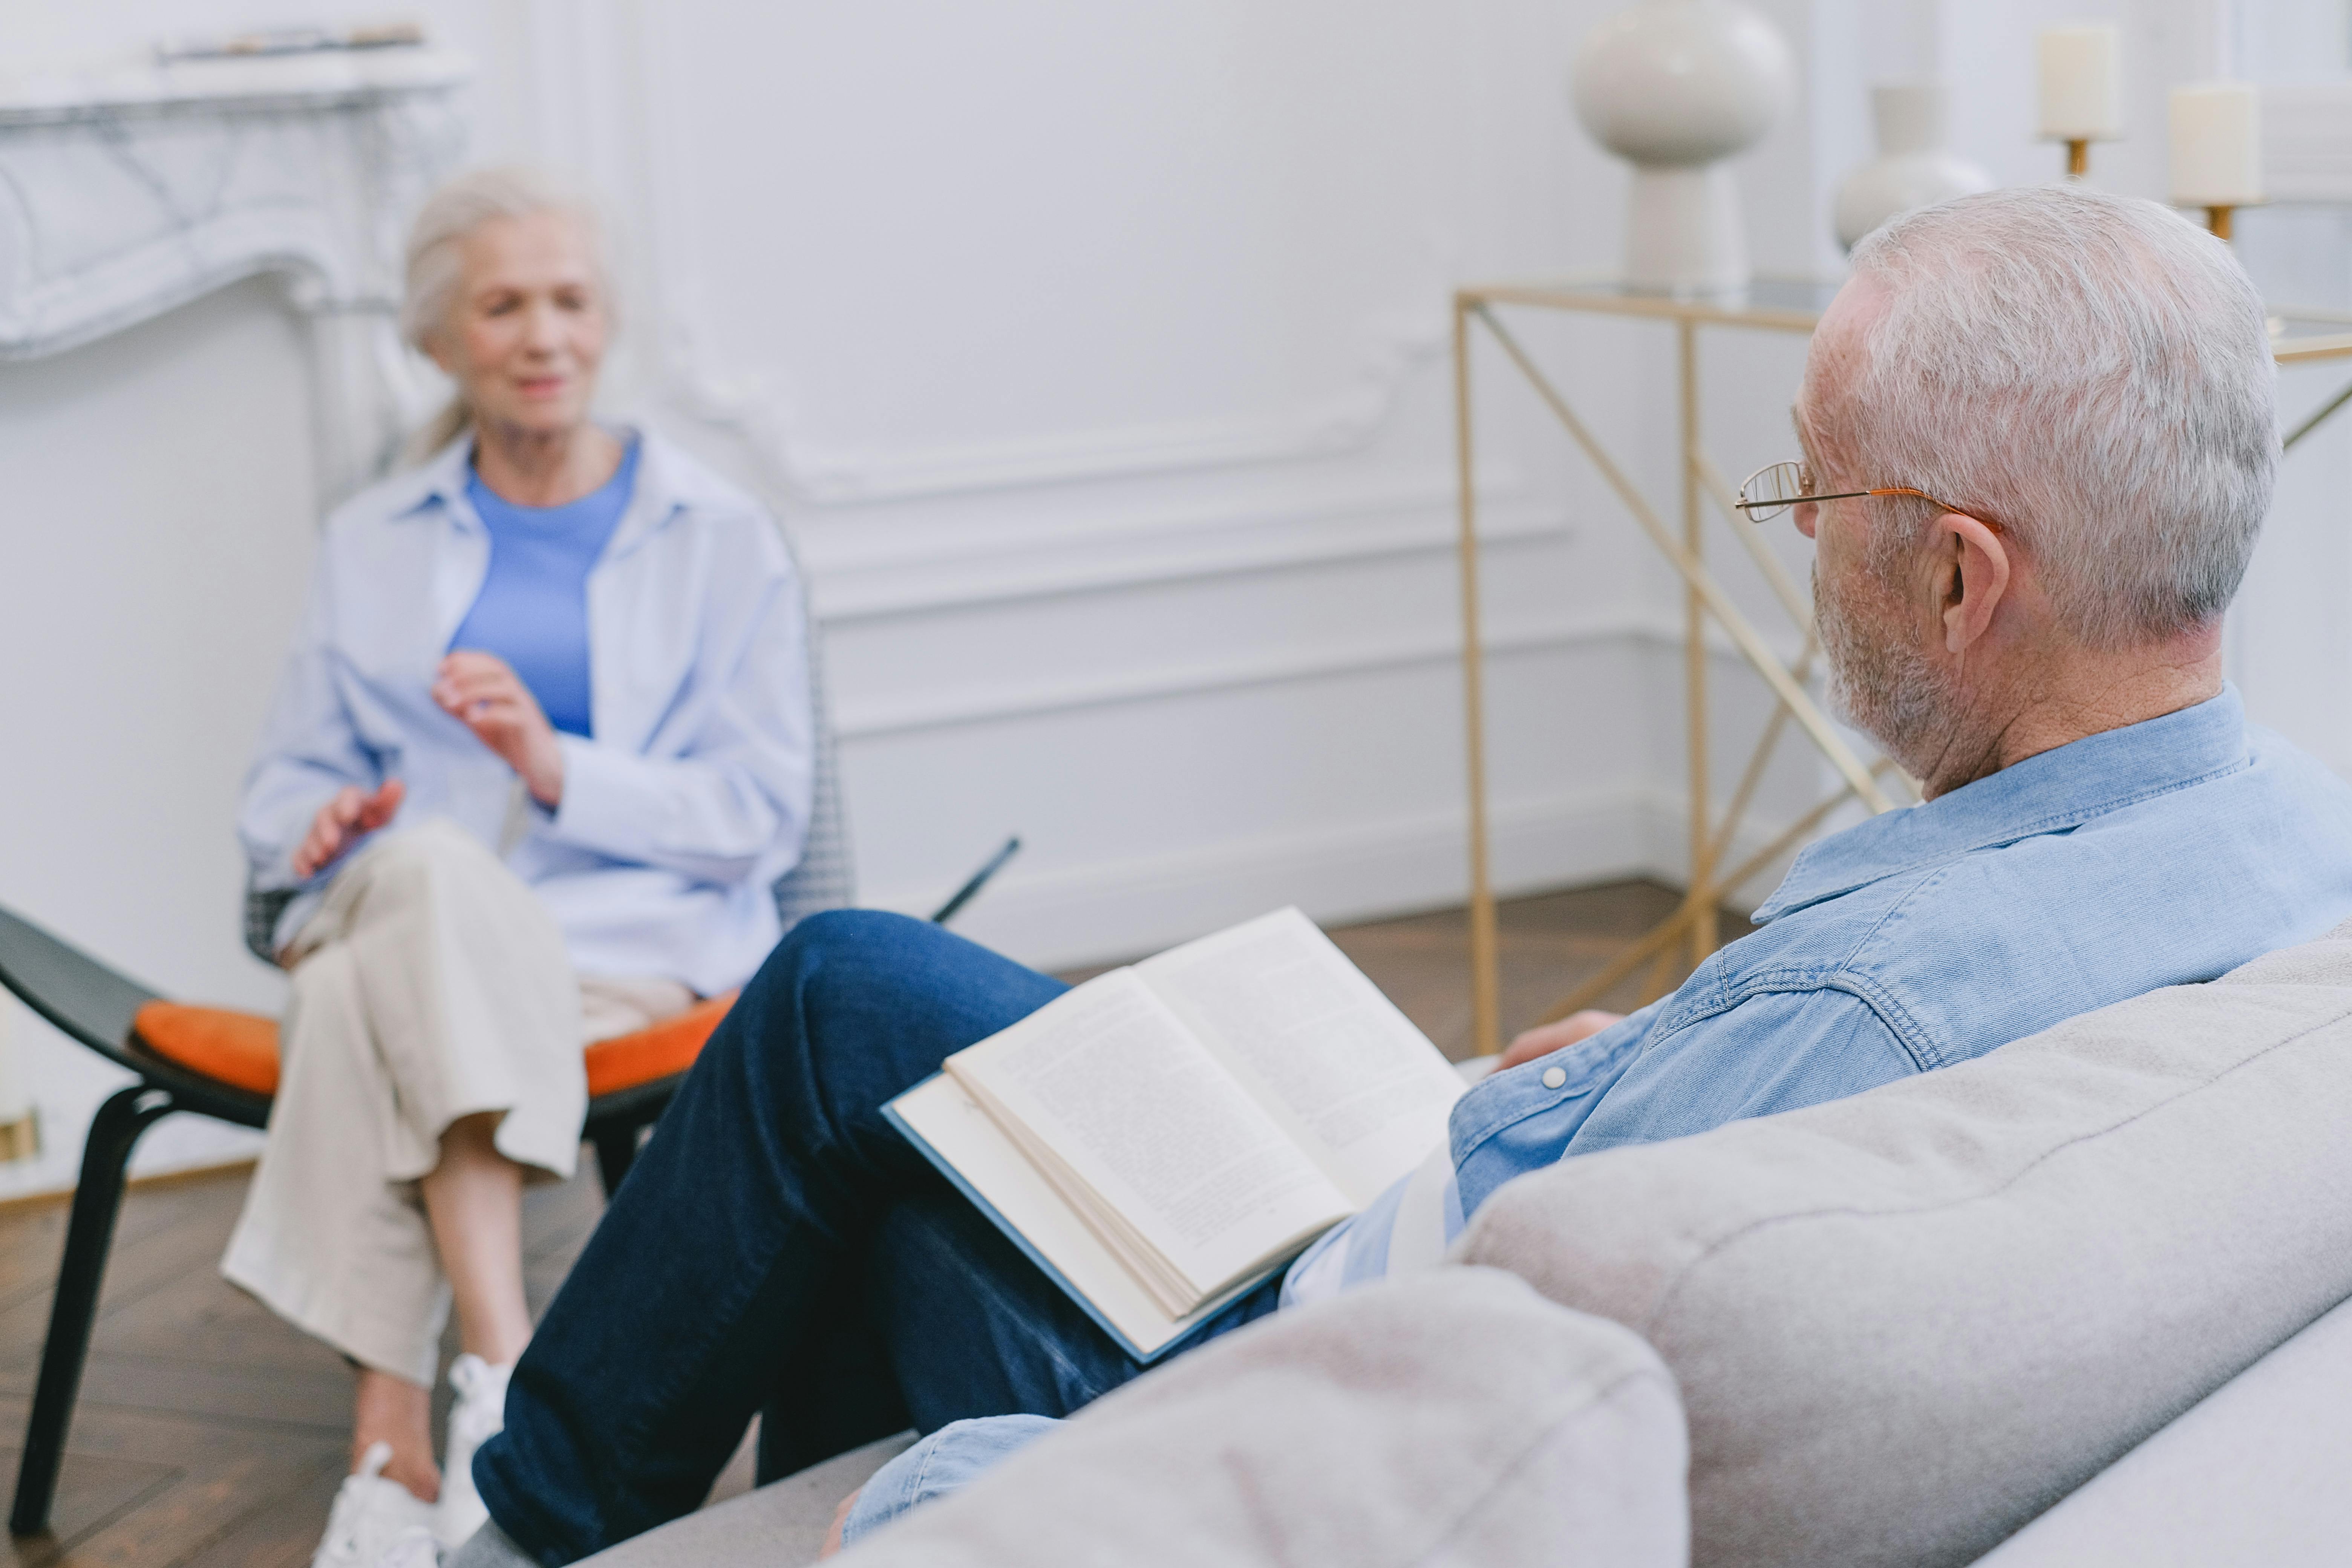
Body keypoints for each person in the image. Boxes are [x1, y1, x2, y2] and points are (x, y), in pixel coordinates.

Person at [449, 185, 2352, 1568]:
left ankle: (520, 1534)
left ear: (1955, 574)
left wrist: (953, 1496)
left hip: (1290, 1331)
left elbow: (1428, 1439)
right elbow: (1792, 1113)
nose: (1798, 542)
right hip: (1448, 1185)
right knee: (865, 995)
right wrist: (1658, 1067)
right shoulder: (2296, 833)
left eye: (1815, 491)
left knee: (832, 1036)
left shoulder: (1857, 1007)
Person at [225, 167, 816, 1568]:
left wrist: (558, 768)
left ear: (607, 322)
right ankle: (504, 1379)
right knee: (426, 884)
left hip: (626, 948)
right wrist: (319, 824)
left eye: (570, 301)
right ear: (440, 337)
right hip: (417, 911)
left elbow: (763, 815)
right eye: (503, 306)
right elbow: (283, 788)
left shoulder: (722, 536)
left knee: (355, 995)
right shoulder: (371, 542)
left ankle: (394, 1441)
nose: (544, 335)